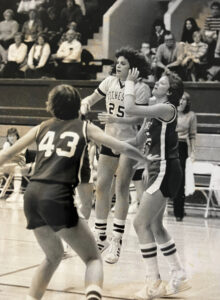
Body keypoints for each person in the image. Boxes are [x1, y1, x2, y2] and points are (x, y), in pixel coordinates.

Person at [0, 84, 148, 300]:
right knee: (93, 259)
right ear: (77, 106)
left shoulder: (41, 127)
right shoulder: (85, 127)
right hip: (57, 195)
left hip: (31, 196)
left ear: (50, 106)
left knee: (53, 256)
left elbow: (6, 155)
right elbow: (123, 147)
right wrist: (145, 159)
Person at [124, 69, 191, 299]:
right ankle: (179, 271)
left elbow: (131, 107)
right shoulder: (153, 111)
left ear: (169, 90)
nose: (156, 84)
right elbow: (139, 139)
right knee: (154, 226)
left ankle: (153, 282)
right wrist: (109, 139)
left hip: (166, 168)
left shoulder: (167, 108)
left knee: (139, 222)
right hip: (156, 169)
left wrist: (130, 84)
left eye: (161, 83)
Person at [80, 47, 151, 264]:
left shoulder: (141, 88)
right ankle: (100, 235)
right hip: (109, 141)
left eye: (122, 63)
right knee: (101, 186)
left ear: (133, 68)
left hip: (128, 143)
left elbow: (138, 118)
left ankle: (117, 239)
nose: (118, 65)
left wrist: (115, 119)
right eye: (117, 62)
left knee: (121, 187)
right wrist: (84, 105)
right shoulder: (109, 82)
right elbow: (91, 98)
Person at [173, 92, 197, 221]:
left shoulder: (191, 115)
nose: (182, 101)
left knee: (180, 180)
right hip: (169, 144)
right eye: (180, 99)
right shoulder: (170, 111)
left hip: (181, 147)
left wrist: (193, 152)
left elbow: (192, 135)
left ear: (187, 102)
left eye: (184, 100)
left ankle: (178, 212)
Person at [1, 128, 30, 202]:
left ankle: (16, 193)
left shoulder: (21, 144)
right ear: (7, 137)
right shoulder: (6, 144)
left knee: (17, 168)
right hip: (9, 166)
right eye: (10, 136)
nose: (12, 138)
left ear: (17, 136)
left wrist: (9, 155)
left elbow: (19, 157)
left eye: (13, 136)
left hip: (21, 166)